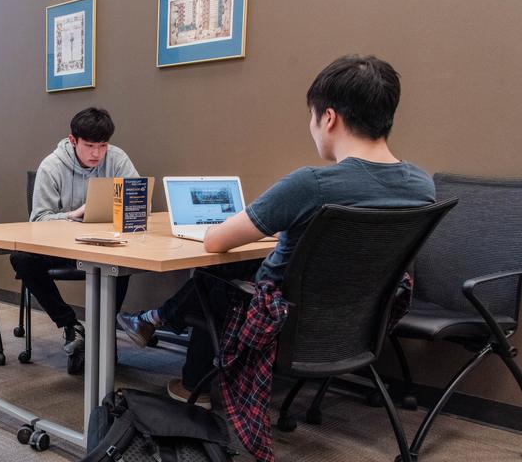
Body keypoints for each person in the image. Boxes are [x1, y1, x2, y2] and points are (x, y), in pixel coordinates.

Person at [117, 54, 436, 404]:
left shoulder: (311, 184)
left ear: (328, 118)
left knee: (219, 272)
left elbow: (214, 240)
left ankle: (181, 360)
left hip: (281, 322)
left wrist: (275, 226)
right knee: (243, 266)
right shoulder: (422, 186)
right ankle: (157, 325)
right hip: (358, 324)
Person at [11, 107, 139, 373]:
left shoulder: (117, 159)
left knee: (124, 259)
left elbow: (135, 200)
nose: (96, 153)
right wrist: (73, 215)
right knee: (21, 258)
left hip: (104, 244)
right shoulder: (52, 166)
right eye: (89, 145)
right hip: (62, 246)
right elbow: (39, 220)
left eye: (102, 145)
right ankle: (70, 324)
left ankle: (99, 336)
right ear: (73, 141)